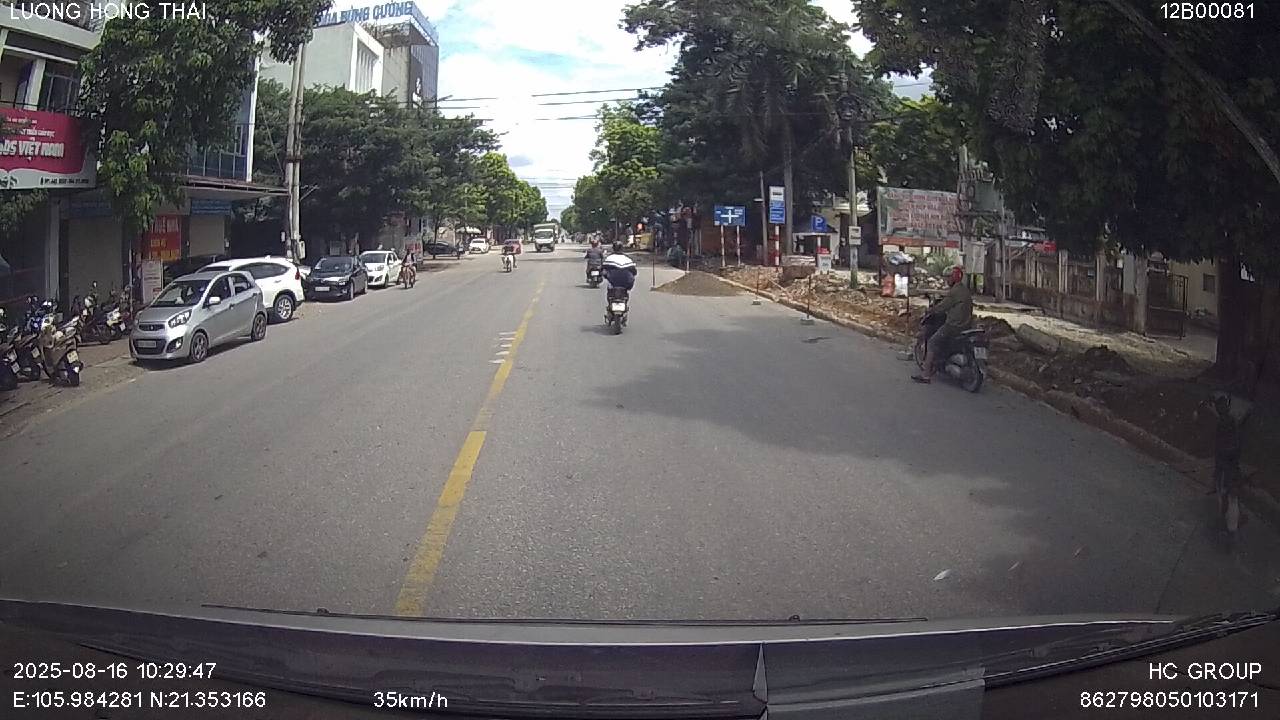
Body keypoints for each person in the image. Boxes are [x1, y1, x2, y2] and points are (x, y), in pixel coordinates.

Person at [912, 266, 973, 384]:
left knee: (932, 343)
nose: (946, 280)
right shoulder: (965, 290)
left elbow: (942, 307)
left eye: (948, 277)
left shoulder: (954, 292)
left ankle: (925, 375)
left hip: (953, 326)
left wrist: (931, 310)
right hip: (966, 326)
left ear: (953, 278)